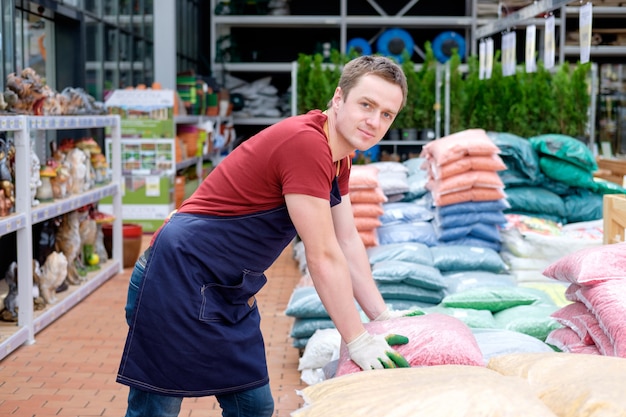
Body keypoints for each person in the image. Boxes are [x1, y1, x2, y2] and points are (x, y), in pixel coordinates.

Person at [118, 54, 411, 417]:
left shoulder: (341, 157)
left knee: (252, 408)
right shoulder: (307, 145)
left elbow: (347, 240)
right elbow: (322, 255)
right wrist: (357, 339)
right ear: (339, 99)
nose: (374, 121)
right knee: (156, 409)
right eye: (366, 105)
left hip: (226, 290)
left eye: (387, 114)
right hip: (176, 276)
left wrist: (381, 317)